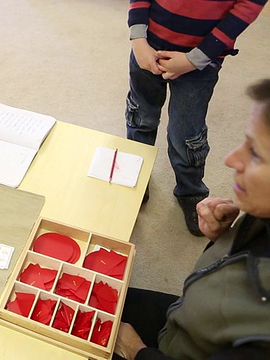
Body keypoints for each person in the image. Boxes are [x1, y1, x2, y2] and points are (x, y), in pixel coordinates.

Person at [114, 79, 270, 359]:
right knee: (90, 298)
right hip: (186, 324)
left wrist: (137, 351)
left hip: (171, 347)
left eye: (256, 154)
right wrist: (225, 239)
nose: (231, 159)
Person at [125, 0, 267, 236]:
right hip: (147, 46)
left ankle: (191, 191)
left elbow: (246, 9)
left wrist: (195, 59)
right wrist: (138, 38)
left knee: (187, 133)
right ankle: (135, 176)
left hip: (200, 60)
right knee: (140, 115)